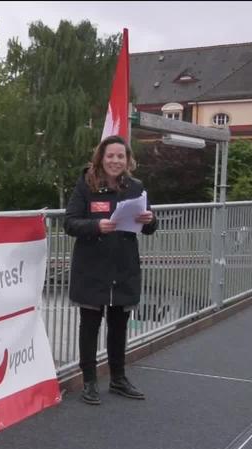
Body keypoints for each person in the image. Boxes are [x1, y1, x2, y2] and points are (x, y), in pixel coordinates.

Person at [64, 135, 158, 406]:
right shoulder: (86, 184)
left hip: (123, 266)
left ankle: (118, 378)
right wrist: (96, 227)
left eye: (120, 156)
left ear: (128, 160)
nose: (115, 161)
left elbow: (150, 227)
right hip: (92, 267)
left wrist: (150, 219)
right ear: (101, 158)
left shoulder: (136, 187)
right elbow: (69, 223)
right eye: (110, 156)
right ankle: (90, 381)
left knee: (119, 327)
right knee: (90, 327)